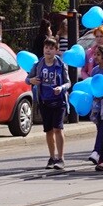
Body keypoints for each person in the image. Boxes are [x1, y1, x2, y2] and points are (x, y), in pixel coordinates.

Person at [26, 37, 70, 169]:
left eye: (51, 48)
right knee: (49, 130)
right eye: (46, 48)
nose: (48, 51)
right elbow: (27, 79)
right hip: (44, 101)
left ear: (56, 50)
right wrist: (31, 80)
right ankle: (52, 157)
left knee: (58, 128)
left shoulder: (61, 65)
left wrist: (61, 88)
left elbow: (68, 83)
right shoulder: (38, 64)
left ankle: (60, 158)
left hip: (59, 102)